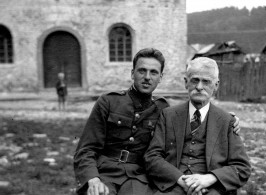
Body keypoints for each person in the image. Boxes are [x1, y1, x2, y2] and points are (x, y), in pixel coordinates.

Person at [73, 49, 241, 195]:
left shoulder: (162, 108)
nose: (147, 77)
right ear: (132, 73)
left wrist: (229, 119)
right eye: (142, 71)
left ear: (160, 77)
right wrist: (92, 178)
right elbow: (86, 149)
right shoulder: (108, 102)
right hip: (104, 172)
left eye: (153, 72)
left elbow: (191, 113)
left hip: (137, 177)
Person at [144, 57, 251, 195]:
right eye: (195, 80)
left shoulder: (226, 121)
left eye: (206, 81)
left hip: (211, 188)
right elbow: (152, 157)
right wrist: (180, 179)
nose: (199, 87)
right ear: (186, 82)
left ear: (216, 85)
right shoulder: (168, 116)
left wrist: (209, 178)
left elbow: (242, 167)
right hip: (174, 184)